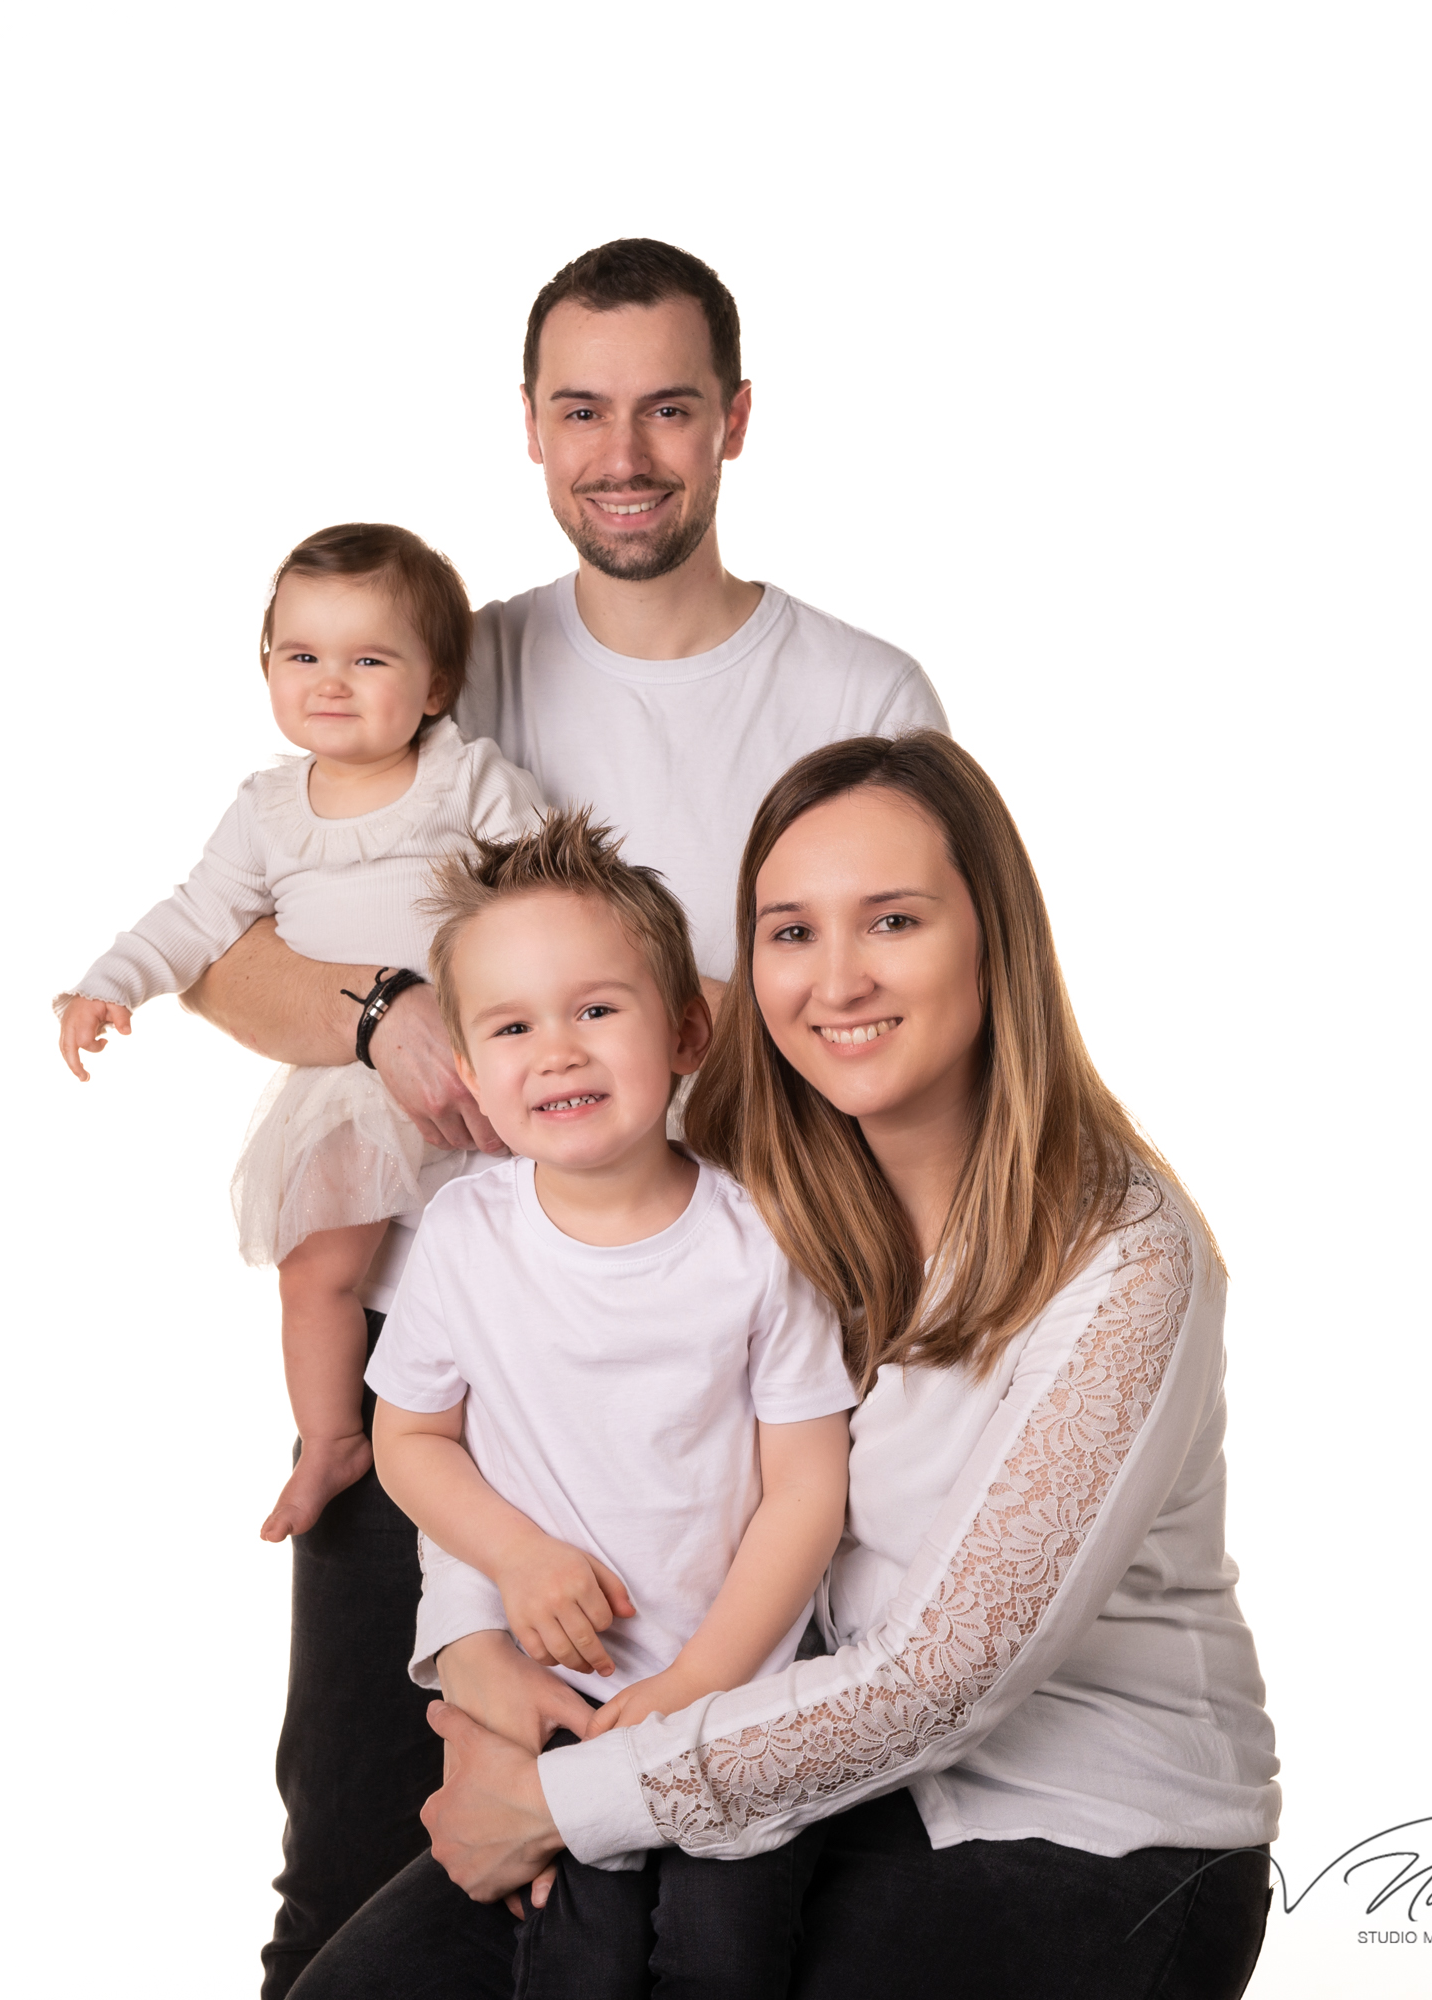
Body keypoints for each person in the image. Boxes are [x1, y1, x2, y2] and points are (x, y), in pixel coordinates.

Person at [178, 241, 947, 1997]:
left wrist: (690, 1053)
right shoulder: (452, 665)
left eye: (670, 407)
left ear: (734, 423)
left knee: (698, 1896)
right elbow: (228, 954)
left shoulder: (861, 696)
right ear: (528, 427)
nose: (626, 451)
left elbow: (895, 1013)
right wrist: (390, 1014)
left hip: (726, 1365)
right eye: (582, 409)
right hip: (455, 1366)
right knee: (365, 1841)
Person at [287, 732, 1281, 2000]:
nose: (837, 977)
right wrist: (483, 1657)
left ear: (994, 939)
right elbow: (510, 1406)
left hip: (1073, 1819)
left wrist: (561, 1796)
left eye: (893, 920)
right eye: (789, 930)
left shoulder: (1124, 1262)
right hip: (734, 1744)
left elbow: (933, 1687)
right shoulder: (718, 1176)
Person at [370, 809, 856, 1997]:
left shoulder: (756, 1237)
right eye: (512, 1026)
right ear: (472, 1074)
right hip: (559, 1690)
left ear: (686, 1029)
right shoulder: (465, 1234)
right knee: (573, 1962)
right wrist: (522, 1560)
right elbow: (413, 1439)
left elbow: (805, 1487)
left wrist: (701, 1685)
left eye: (596, 1009)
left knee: (728, 1956)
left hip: (731, 1692)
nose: (558, 1051)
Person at [53, 523, 542, 1541]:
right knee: (318, 1267)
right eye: (302, 656)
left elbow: (557, 895)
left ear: (436, 682)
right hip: (351, 1084)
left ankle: (521, 1438)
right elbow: (195, 916)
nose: (331, 681)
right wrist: (109, 983)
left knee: (515, 1263)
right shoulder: (269, 811)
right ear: (267, 666)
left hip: (482, 1072)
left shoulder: (465, 780)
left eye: (369, 659)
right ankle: (330, 1436)